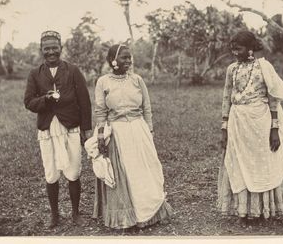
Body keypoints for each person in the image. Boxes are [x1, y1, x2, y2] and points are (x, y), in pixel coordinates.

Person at [92, 44, 172, 230]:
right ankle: (125, 215)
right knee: (124, 172)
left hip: (138, 129)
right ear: (113, 60)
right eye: (124, 58)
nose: (128, 61)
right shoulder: (103, 82)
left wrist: (149, 130)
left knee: (144, 169)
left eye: (129, 58)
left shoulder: (137, 80)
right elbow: (100, 111)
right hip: (117, 132)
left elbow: (147, 107)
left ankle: (148, 213)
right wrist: (101, 135)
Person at [217, 30, 283, 224]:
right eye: (232, 48)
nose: (234, 52)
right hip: (237, 122)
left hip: (260, 122)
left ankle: (262, 209)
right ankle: (244, 210)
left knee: (262, 162)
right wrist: (224, 127)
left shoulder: (264, 67)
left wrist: (274, 128)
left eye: (239, 48)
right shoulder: (231, 69)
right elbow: (227, 97)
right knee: (239, 162)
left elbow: (273, 98)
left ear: (250, 48)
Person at [24, 30, 92, 228]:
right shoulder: (35, 74)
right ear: (41, 50)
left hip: (70, 126)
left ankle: (75, 213)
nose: (51, 52)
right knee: (50, 172)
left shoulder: (72, 71)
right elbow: (28, 102)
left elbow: (84, 102)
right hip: (47, 129)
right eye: (47, 48)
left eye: (55, 47)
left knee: (74, 170)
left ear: (61, 48)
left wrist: (86, 129)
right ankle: (55, 215)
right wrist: (45, 99)